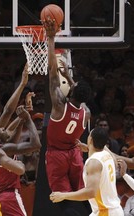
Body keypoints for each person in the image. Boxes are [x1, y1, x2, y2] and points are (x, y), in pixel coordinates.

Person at [43, 18, 91, 215]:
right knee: (83, 194)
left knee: (63, 199)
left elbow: (52, 73)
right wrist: (71, 79)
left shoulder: (58, 106)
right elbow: (80, 97)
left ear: (72, 91)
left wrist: (51, 38)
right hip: (75, 155)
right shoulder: (86, 113)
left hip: (56, 155)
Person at [49, 127, 124, 216]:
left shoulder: (94, 162)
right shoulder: (108, 155)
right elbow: (114, 160)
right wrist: (90, 148)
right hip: (113, 209)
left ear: (91, 139)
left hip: (105, 211)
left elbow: (90, 192)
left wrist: (63, 195)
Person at [0, 105, 41, 216]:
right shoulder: (4, 149)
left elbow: (13, 139)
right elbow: (36, 145)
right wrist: (28, 119)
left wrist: (21, 120)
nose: (3, 128)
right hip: (9, 197)